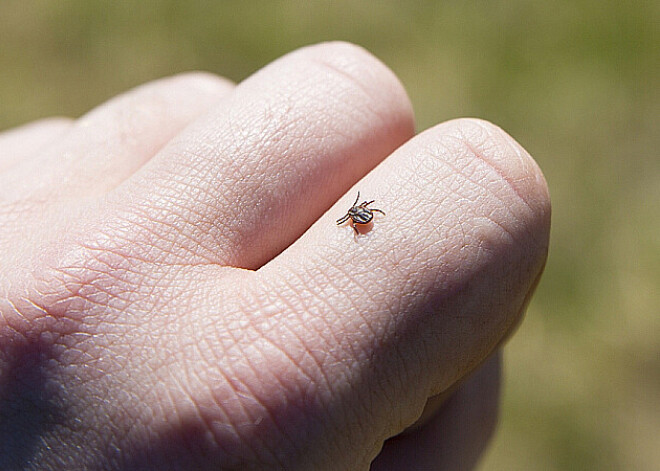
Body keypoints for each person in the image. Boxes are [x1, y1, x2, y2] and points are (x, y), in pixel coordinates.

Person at [0, 42, 550, 470]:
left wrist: (357, 218)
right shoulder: (360, 217)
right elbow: (360, 216)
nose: (360, 218)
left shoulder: (358, 217)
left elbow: (359, 216)